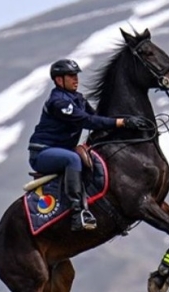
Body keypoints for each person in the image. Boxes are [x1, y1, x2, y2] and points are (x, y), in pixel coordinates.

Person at [28, 58, 146, 231]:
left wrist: (126, 124)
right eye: (70, 76)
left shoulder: (78, 99)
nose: (76, 79)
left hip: (60, 150)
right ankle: (77, 214)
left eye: (76, 75)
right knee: (73, 160)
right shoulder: (58, 102)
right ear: (58, 80)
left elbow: (98, 118)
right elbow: (87, 121)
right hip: (42, 153)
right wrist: (121, 122)